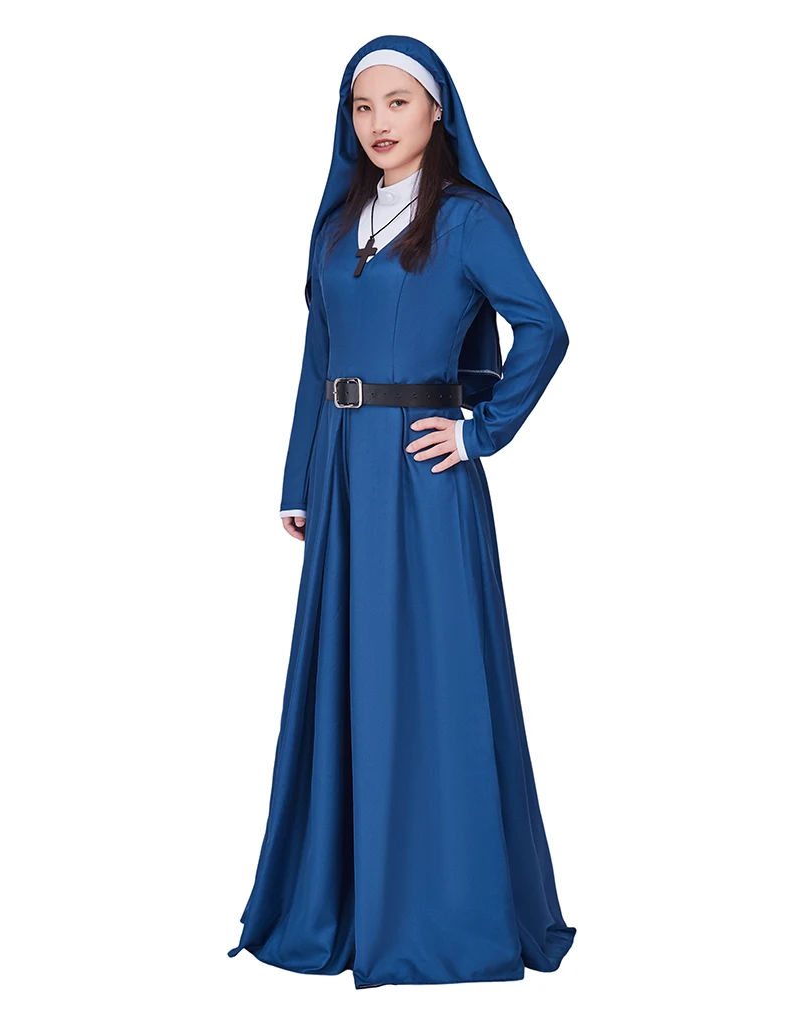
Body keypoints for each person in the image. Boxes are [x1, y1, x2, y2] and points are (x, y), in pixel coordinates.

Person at [227, 35, 576, 989]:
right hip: (343, 475)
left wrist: (480, 431)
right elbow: (318, 358)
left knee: (431, 679)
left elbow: (545, 328)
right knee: (348, 676)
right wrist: (299, 479)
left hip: (423, 479)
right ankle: (339, 900)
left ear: (436, 111)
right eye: (361, 105)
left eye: (397, 102)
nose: (377, 122)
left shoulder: (466, 219)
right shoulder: (339, 223)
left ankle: (439, 908)